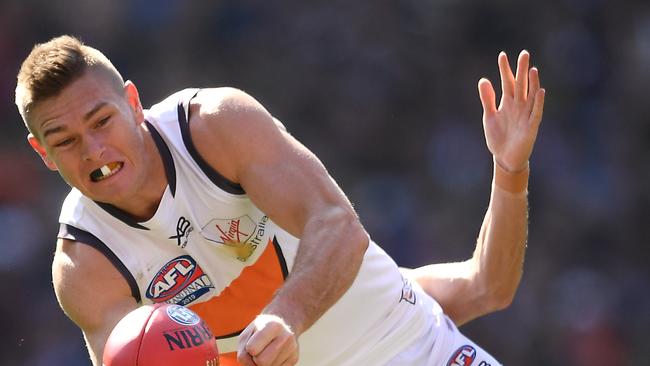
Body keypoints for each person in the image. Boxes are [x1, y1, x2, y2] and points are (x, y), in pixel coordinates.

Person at [15, 35, 544, 366]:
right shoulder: (85, 264)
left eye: (101, 121)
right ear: (43, 153)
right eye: (65, 141)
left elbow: (338, 227)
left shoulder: (216, 128)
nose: (94, 150)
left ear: (133, 103)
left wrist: (510, 168)